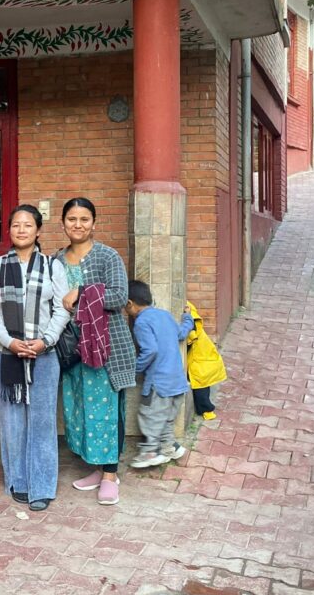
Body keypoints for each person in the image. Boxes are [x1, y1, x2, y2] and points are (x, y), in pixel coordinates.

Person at [0, 206, 70, 511]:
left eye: (28, 225)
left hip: (44, 355)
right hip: (5, 354)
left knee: (43, 421)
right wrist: (9, 341)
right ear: (9, 230)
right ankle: (18, 481)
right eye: (16, 225)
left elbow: (62, 309)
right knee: (12, 421)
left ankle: (42, 485)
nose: (21, 230)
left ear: (38, 230)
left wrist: (46, 341)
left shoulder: (52, 266)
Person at [55, 197, 136, 506]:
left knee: (106, 410)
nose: (78, 225)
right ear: (63, 223)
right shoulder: (56, 259)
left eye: (84, 219)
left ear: (93, 223)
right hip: (71, 347)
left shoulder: (107, 256)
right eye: (72, 219)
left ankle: (111, 476)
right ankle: (97, 469)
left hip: (104, 347)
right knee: (80, 407)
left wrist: (82, 291)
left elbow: (119, 296)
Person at [125, 280, 191, 468]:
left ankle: (150, 452)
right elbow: (181, 333)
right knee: (167, 417)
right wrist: (188, 318)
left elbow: (150, 350)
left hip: (158, 383)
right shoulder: (165, 315)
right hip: (178, 381)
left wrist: (134, 369)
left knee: (150, 416)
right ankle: (170, 447)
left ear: (130, 303)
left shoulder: (141, 322)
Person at [183, 300, 226, 420]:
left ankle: (206, 409)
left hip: (201, 359)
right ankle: (205, 408)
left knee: (200, 383)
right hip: (203, 357)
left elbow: (190, 337)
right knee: (202, 382)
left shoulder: (192, 325)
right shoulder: (191, 313)